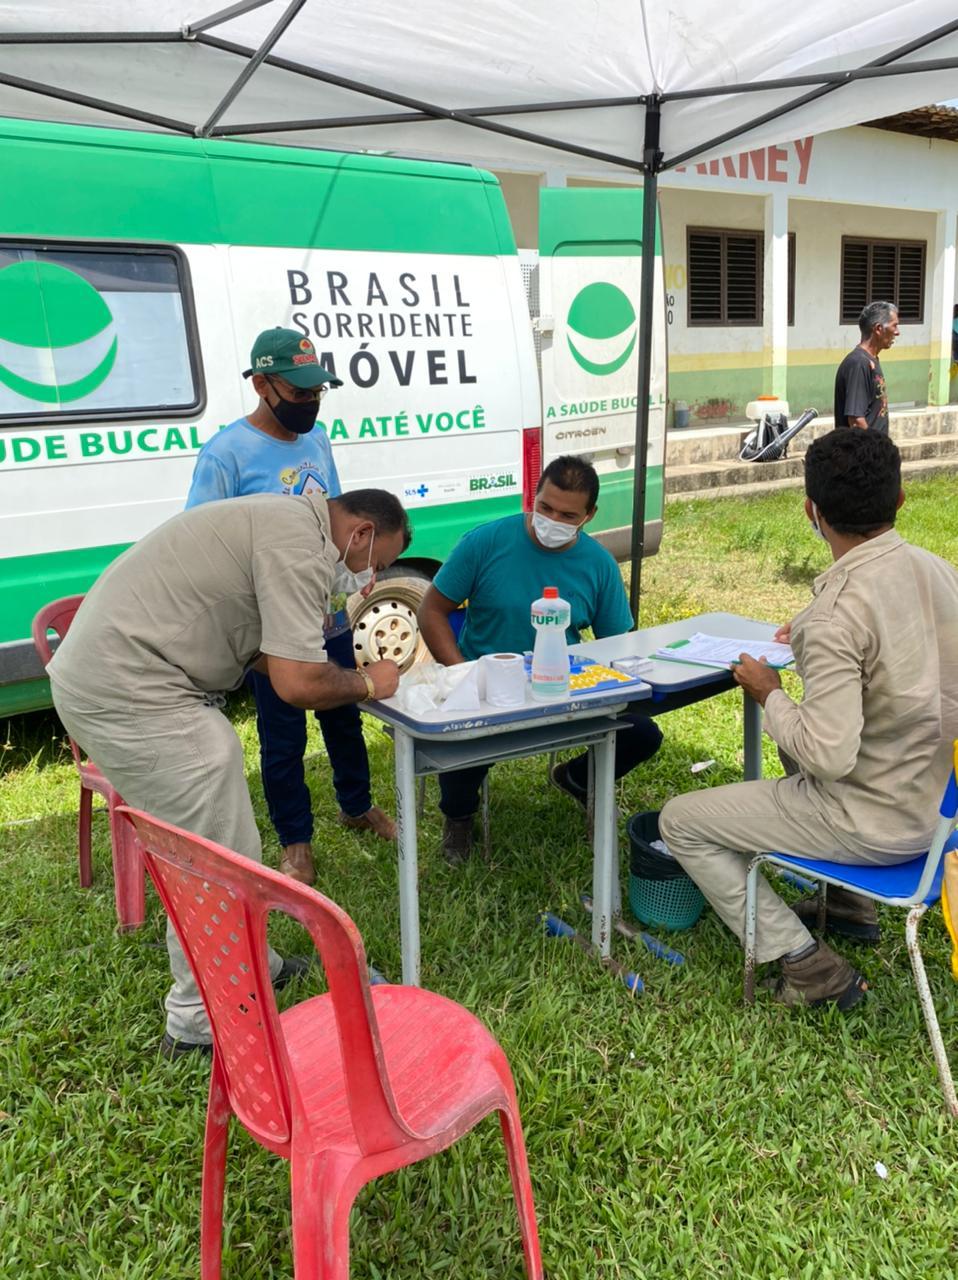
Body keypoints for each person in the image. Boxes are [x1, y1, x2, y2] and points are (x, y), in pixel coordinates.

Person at [47, 486, 410, 1057]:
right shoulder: (299, 547)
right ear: (361, 534)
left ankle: (254, 963)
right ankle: (194, 1020)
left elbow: (271, 655)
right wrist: (369, 683)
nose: (368, 581)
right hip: (130, 687)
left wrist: (328, 672)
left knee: (227, 833)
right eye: (379, 564)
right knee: (211, 854)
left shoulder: (290, 523)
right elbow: (294, 683)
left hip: (121, 676)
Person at [659, 429, 958, 1010]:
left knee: (680, 821)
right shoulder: (941, 573)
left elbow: (828, 755)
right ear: (900, 501)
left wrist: (770, 692)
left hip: (872, 824)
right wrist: (816, 634)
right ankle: (848, 906)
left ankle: (805, 964)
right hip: (939, 814)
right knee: (798, 746)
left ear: (810, 512)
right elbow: (897, 649)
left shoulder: (835, 615)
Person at [186, 327, 396, 891]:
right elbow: (204, 544)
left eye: (317, 392)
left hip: (323, 613)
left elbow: (337, 516)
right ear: (261, 384)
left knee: (343, 716)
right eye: (298, 392)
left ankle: (357, 805)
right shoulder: (226, 454)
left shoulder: (317, 438)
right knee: (283, 737)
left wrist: (351, 579)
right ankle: (296, 842)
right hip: (267, 628)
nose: (309, 403)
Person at [418, 454, 663, 864]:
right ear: (532, 496)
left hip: (562, 687)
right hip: (486, 682)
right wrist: (461, 671)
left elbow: (617, 643)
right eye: (545, 507)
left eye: (567, 515)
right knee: (459, 743)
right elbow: (432, 610)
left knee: (643, 733)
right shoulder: (485, 542)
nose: (551, 520)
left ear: (589, 515)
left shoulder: (598, 564)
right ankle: (458, 817)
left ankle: (575, 778)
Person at [833, 300, 899, 433]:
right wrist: (876, 450)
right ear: (879, 329)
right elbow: (856, 421)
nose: (897, 332)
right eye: (894, 326)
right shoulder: (859, 363)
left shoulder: (871, 360)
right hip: (863, 451)